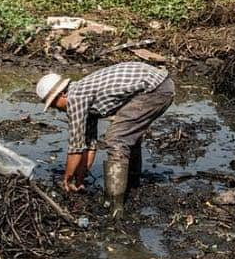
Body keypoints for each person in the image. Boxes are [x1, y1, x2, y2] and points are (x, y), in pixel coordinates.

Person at [36, 61, 174, 217]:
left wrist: (66, 178)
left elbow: (75, 148)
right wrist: (80, 178)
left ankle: (114, 206)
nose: (57, 110)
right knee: (127, 135)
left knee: (117, 138)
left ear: (62, 94)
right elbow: (89, 145)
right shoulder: (83, 95)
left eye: (54, 105)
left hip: (155, 89)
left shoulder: (75, 98)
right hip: (159, 85)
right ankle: (132, 184)